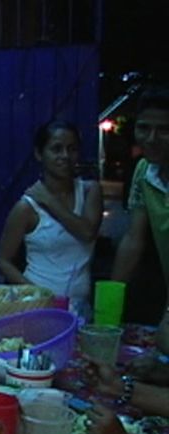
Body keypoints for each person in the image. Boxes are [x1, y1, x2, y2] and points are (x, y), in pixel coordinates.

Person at [0, 120, 103, 316]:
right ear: (39, 154)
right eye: (56, 149)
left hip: (80, 307)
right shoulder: (26, 208)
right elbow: (3, 261)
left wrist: (50, 201)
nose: (65, 156)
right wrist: (38, 295)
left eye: (72, 149)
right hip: (37, 308)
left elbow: (87, 232)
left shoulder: (89, 191)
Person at [112, 86, 169, 324]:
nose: (151, 138)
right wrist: (111, 300)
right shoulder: (144, 171)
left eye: (164, 130)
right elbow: (134, 240)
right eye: (144, 128)